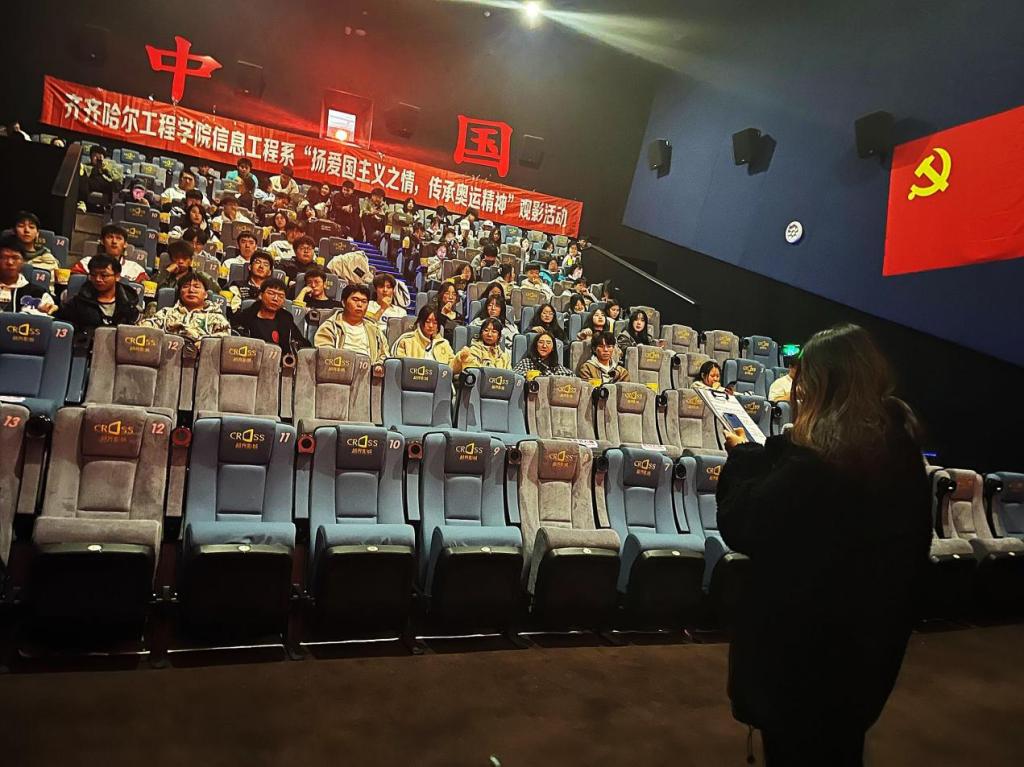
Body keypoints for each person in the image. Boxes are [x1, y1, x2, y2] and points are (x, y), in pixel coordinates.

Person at [716, 324, 932, 765]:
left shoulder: (818, 463)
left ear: (821, 385)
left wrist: (737, 460)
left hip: (802, 665)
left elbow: (744, 520)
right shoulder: (897, 451)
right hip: (869, 655)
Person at [56, 255, 140, 336]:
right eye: (93, 275)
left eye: (104, 275)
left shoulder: (129, 303)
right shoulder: (78, 302)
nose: (98, 279)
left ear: (117, 276)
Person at [139, 273, 231, 343]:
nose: (191, 290)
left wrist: (205, 344)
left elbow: (225, 339)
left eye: (196, 287)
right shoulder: (166, 313)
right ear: (180, 293)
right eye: (186, 286)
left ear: (206, 294)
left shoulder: (216, 317)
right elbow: (145, 328)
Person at [313, 283, 387, 363]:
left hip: (368, 368)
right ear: (344, 303)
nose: (359, 304)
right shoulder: (330, 327)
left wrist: (378, 365)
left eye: (364, 301)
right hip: (339, 367)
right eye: (355, 300)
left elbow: (384, 355)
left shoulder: (374, 329)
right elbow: (325, 354)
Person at [232, 278, 309, 354]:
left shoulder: (286, 319)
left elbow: (302, 344)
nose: (275, 299)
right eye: (271, 293)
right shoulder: (245, 318)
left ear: (284, 301)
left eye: (281, 296)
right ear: (260, 295)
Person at [0, 234, 57, 314]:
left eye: (15, 258)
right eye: (5, 257)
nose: (10, 262)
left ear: (23, 261)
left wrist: (50, 310)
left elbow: (51, 315)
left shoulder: (38, 293)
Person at [72, 224, 149, 282]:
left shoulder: (136, 270)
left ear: (125, 244)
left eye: (119, 238)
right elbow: (74, 284)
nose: (114, 241)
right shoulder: (86, 263)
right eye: (110, 237)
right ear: (102, 241)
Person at [391, 305, 455, 365]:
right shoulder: (406, 341)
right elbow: (396, 365)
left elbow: (452, 367)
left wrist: (459, 359)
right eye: (427, 321)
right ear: (420, 322)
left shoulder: (444, 343)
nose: (431, 326)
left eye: (435, 323)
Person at [153, 240, 218, 293]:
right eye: (176, 258)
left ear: (191, 260)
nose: (180, 261)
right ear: (170, 259)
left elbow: (218, 293)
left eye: (185, 258)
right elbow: (151, 289)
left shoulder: (201, 277)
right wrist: (166, 272)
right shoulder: (164, 273)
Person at [13, 211, 59, 287]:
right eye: (21, 226)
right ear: (14, 231)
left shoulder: (48, 259)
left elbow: (50, 288)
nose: (26, 230)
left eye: (31, 227)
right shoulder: (6, 257)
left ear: (37, 234)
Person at [78, 145, 118, 209]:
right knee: (83, 180)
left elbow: (115, 178)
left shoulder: (109, 166)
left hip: (104, 184)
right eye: (94, 156)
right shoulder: (86, 166)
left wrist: (103, 166)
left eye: (98, 156)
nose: (96, 158)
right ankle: (82, 202)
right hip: (90, 183)